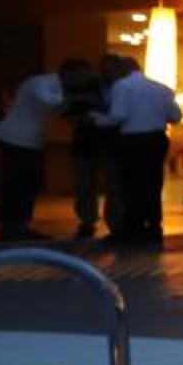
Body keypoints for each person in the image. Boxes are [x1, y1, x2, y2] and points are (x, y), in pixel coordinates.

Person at [94, 53, 182, 245]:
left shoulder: (122, 86)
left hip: (132, 141)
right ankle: (154, 228)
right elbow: (175, 116)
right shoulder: (162, 88)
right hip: (157, 139)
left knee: (131, 186)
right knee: (153, 184)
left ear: (123, 70)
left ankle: (133, 228)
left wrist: (96, 120)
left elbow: (119, 115)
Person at [0, 63, 63, 242]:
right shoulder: (40, 83)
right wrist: (70, 97)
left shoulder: (44, 84)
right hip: (17, 140)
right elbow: (48, 101)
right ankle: (11, 227)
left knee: (24, 184)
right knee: (17, 184)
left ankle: (17, 226)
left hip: (24, 140)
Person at [55, 59, 110, 242]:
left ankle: (104, 221)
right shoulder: (70, 89)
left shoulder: (102, 85)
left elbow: (108, 107)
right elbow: (63, 112)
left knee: (106, 184)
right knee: (84, 184)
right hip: (85, 141)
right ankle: (88, 221)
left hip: (101, 141)